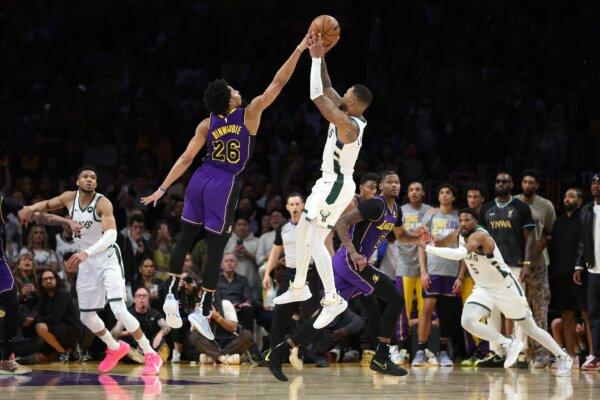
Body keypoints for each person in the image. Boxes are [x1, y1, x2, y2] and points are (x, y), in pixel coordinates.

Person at [141, 34, 312, 340]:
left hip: (199, 179)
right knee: (217, 247)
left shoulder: (206, 123)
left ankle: (170, 295)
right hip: (224, 182)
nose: (238, 91)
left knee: (185, 239)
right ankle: (204, 310)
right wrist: (299, 48)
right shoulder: (250, 114)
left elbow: (184, 159)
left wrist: (162, 189)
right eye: (233, 90)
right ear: (229, 100)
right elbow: (279, 82)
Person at [264, 172, 425, 380]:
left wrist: (418, 238)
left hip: (351, 265)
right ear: (381, 186)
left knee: (326, 314)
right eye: (389, 182)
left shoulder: (396, 211)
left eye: (397, 182)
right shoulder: (375, 205)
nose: (394, 185)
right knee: (395, 298)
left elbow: (401, 237)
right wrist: (353, 252)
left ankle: (278, 353)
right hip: (350, 262)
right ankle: (382, 356)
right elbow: (341, 223)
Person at [20, 166, 163, 375]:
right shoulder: (70, 197)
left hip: (106, 258)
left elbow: (111, 235)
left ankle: (151, 354)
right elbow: (48, 204)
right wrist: (30, 207)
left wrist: (86, 253)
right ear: (78, 181)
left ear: (96, 183)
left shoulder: (102, 202)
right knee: (86, 317)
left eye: (93, 177)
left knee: (119, 310)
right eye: (85, 176)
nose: (89, 179)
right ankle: (115, 348)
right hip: (86, 262)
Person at [274, 33, 374, 330]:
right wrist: (321, 54)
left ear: (353, 102)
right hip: (327, 182)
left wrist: (315, 58)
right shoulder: (347, 110)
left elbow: (318, 96)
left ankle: (331, 298)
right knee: (307, 232)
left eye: (346, 95)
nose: (340, 95)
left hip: (336, 184)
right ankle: (302, 286)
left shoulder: (349, 125)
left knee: (314, 237)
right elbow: (328, 86)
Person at [421, 208, 572, 377]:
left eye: (467, 220)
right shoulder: (459, 232)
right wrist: (432, 240)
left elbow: (459, 254)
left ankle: (563, 356)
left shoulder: (480, 236)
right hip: (483, 288)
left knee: (530, 329)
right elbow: (443, 242)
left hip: (504, 287)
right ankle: (508, 343)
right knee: (468, 321)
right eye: (460, 220)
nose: (463, 223)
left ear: (476, 221)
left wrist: (427, 248)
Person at [0, 194, 80, 374]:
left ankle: (7, 359)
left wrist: (66, 222)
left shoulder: (3, 202)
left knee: (12, 304)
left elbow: (34, 213)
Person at [478, 172, 535, 367]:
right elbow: (479, 239)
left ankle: (521, 352)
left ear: (511, 184)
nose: (500, 184)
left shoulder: (521, 207)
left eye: (505, 181)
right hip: (490, 267)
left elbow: (530, 237)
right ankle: (497, 351)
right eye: (498, 181)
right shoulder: (486, 208)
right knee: (491, 309)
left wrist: (527, 264)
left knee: (518, 308)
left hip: (515, 265)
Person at [262, 193, 321, 348]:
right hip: (290, 274)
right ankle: (273, 351)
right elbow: (275, 252)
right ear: (287, 207)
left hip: (309, 273)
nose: (294, 207)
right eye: (291, 204)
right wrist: (267, 273)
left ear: (303, 206)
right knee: (280, 313)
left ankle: (320, 354)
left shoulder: (311, 223)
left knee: (314, 315)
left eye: (297, 204)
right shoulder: (283, 227)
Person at [413, 183, 463, 367]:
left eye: (448, 192)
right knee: (426, 309)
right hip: (432, 269)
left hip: (451, 271)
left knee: (446, 313)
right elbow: (420, 244)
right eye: (441, 192)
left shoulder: (459, 218)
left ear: (453, 197)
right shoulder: (430, 216)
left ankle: (443, 352)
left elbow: (463, 249)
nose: (444, 195)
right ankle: (420, 350)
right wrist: (423, 271)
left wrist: (460, 276)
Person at [516, 169, 556, 367]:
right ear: (521, 184)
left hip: (539, 264)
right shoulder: (514, 202)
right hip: (515, 263)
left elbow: (550, 231)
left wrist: (544, 242)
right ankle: (520, 353)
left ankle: (540, 355)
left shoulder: (546, 205)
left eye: (532, 182)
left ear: (537, 185)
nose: (528, 185)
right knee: (517, 310)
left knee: (540, 311)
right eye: (525, 181)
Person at [550, 188, 590, 368]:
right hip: (561, 275)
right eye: (565, 196)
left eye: (572, 196)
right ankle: (571, 356)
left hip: (581, 274)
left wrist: (580, 267)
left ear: (580, 201)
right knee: (565, 314)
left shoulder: (584, 219)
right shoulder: (558, 222)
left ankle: (591, 355)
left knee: (586, 314)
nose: (567, 199)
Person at [394, 180, 431, 363]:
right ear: (407, 194)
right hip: (404, 266)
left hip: (426, 268)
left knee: (426, 310)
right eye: (411, 190)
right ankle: (403, 350)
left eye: (418, 189)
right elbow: (395, 237)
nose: (414, 192)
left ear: (423, 192)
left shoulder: (431, 211)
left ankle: (425, 350)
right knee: (403, 309)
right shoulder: (399, 211)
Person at [573, 173, 600, 370]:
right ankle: (596, 356)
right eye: (593, 183)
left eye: (599, 183)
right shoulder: (587, 210)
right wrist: (578, 265)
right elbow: (582, 241)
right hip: (593, 270)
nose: (595, 186)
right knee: (594, 315)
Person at [27, 270, 82, 364]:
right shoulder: (43, 298)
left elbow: (55, 318)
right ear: (42, 283)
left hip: (71, 331)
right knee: (41, 357)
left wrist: (34, 320)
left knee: (40, 327)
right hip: (55, 330)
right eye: (45, 279)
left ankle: (63, 353)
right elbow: (40, 315)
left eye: (51, 278)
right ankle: (68, 351)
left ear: (56, 280)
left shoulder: (63, 294)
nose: (48, 281)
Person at [461, 183, 489, 366]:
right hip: (469, 274)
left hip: (485, 276)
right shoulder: (463, 223)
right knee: (468, 312)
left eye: (475, 197)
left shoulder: (485, 221)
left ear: (482, 199)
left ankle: (486, 351)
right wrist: (460, 276)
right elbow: (461, 253)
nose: (472, 200)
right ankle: (473, 351)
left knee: (485, 315)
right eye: (469, 197)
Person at [111, 287, 171, 363]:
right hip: (134, 347)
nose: (142, 298)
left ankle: (156, 356)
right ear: (134, 299)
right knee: (123, 347)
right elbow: (114, 333)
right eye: (139, 296)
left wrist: (160, 335)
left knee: (161, 339)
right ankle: (149, 358)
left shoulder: (155, 314)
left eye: (144, 295)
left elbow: (166, 327)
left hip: (151, 344)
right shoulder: (127, 315)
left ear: (148, 299)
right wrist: (125, 333)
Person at [117, 214, 152, 284]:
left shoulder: (147, 245)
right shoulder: (122, 241)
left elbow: (147, 266)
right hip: (123, 281)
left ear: (144, 229)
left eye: (141, 228)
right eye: (135, 227)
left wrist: (141, 254)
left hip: (140, 284)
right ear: (130, 227)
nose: (138, 230)